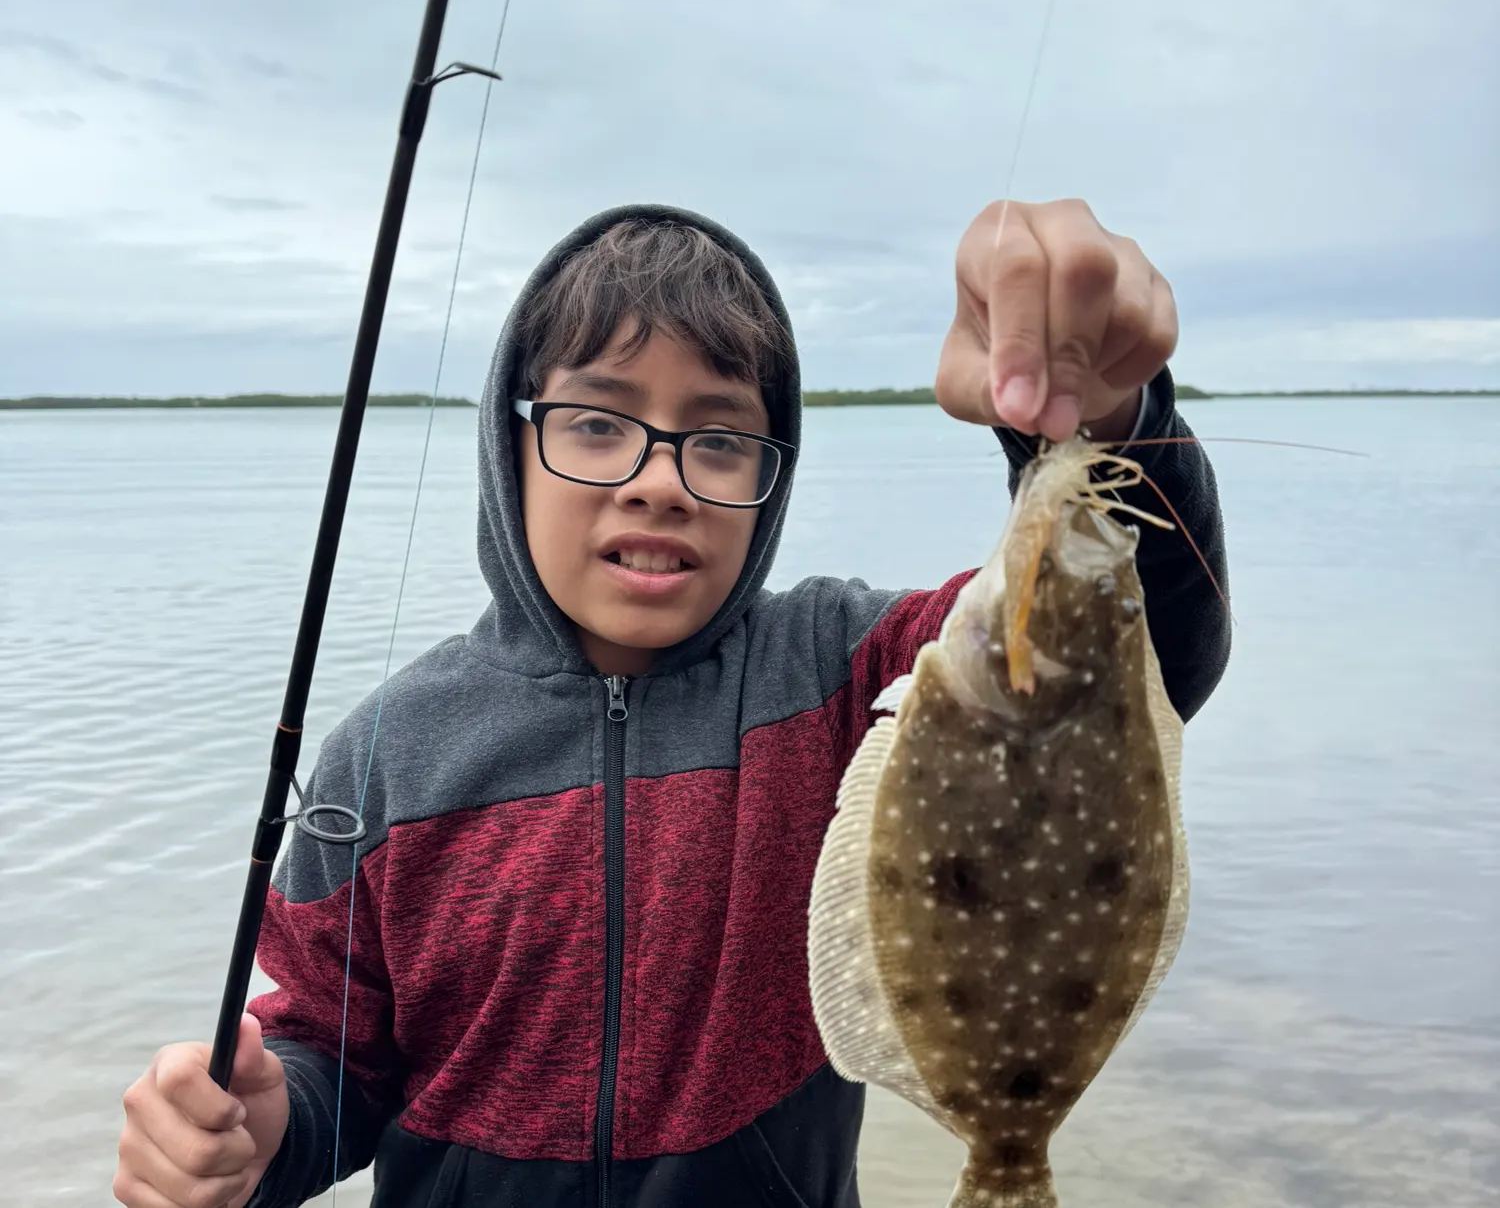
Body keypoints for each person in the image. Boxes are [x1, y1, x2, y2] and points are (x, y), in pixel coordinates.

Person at [114, 199, 1229, 1208]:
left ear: (771, 476)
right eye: (597, 424)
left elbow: (1130, 656)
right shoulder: (389, 755)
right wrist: (262, 1133)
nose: (658, 481)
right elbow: (338, 1052)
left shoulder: (843, 673)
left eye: (720, 440)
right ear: (512, 446)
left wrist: (1092, 416)